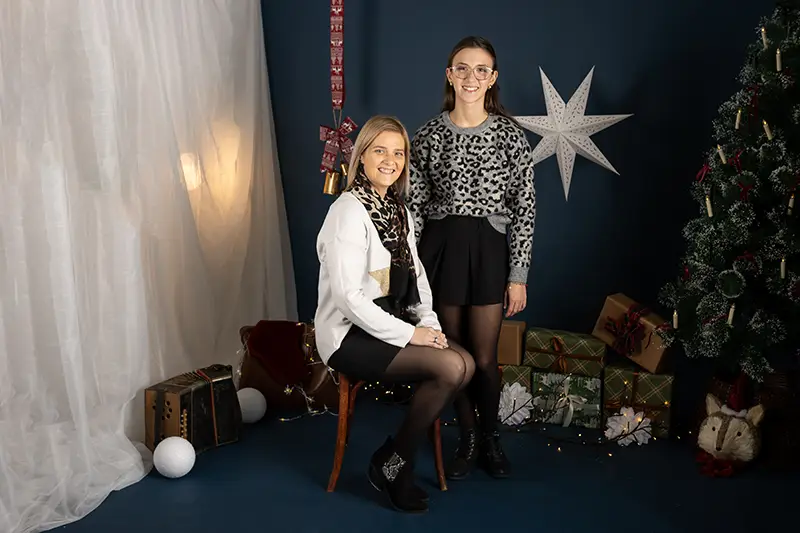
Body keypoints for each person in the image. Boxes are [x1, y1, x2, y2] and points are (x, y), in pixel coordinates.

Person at [314, 115, 476, 514]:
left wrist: (428, 324)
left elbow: (416, 276)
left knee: (466, 364)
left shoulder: (396, 209)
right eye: (380, 151)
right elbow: (349, 299)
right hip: (348, 336)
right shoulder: (348, 211)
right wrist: (412, 336)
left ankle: (391, 459)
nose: (390, 161)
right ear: (361, 157)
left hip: (391, 322)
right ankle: (394, 468)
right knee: (450, 368)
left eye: (399, 153)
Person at [408, 36, 536, 480]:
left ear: (492, 78)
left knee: (483, 357)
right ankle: (466, 438)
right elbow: (414, 208)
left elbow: (525, 207)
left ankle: (491, 438)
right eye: (462, 68)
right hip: (441, 248)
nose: (471, 77)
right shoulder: (428, 135)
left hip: (488, 248)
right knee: (455, 355)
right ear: (450, 75)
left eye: (481, 70)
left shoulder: (510, 135)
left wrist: (518, 274)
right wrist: (411, 270)